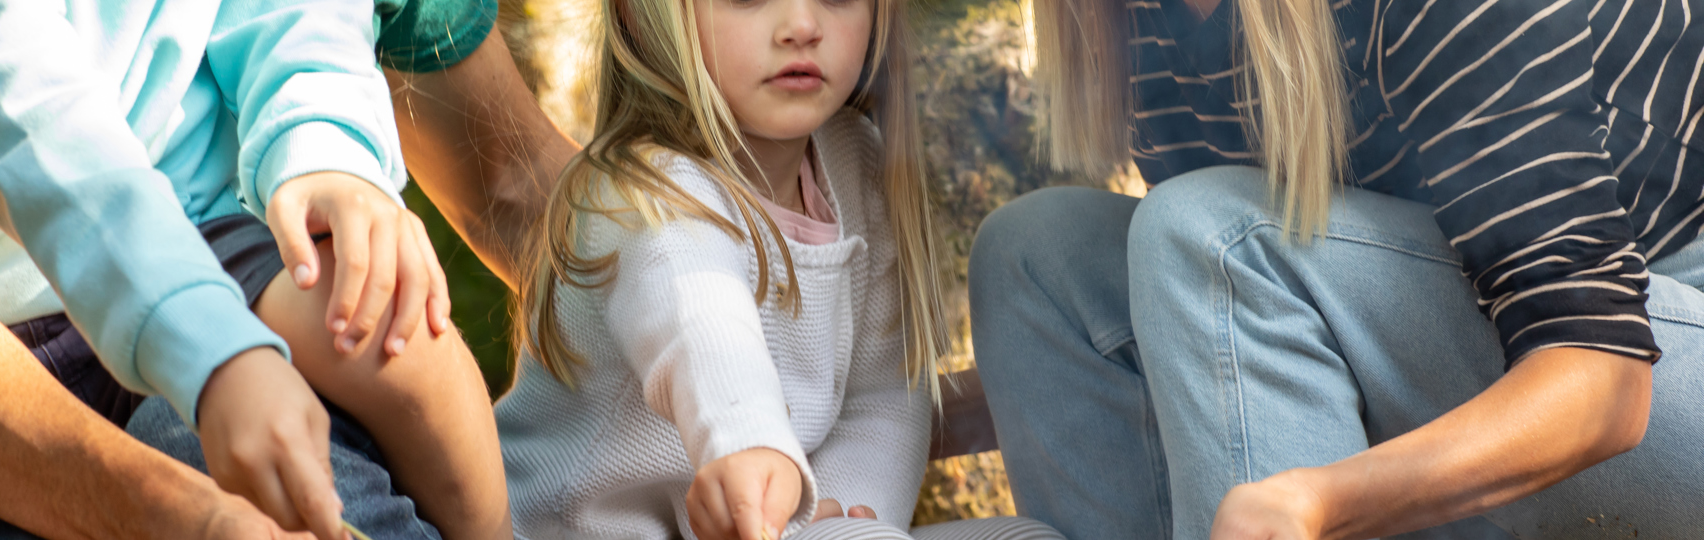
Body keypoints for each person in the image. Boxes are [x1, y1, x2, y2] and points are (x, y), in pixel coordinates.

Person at [0, 0, 572, 538]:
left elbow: (300, 21)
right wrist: (216, 354)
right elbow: (24, 123)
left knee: (388, 325)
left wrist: (329, 156)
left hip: (210, 239)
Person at [970, 0, 1704, 538]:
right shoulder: (1147, 21)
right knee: (1034, 253)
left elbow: (1602, 381)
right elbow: (1215, 341)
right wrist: (875, 416)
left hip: (1643, 364)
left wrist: (1318, 502)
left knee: (1219, 236)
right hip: (1475, 351)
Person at [487, 0, 1063, 539]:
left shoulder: (855, 162)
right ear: (641, 15)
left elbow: (882, 398)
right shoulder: (645, 191)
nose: (801, 24)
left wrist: (848, 509)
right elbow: (699, 320)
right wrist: (748, 441)